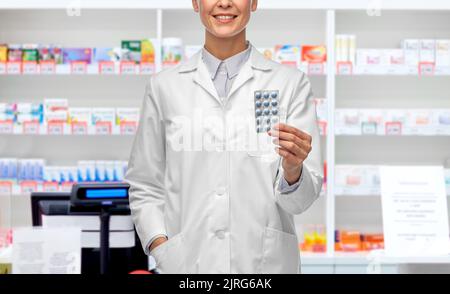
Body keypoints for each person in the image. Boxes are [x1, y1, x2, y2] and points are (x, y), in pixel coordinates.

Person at [125, 0, 323, 274]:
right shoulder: (165, 87)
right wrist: (161, 247)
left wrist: (293, 170)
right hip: (188, 267)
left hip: (265, 267)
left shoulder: (289, 84)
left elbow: (299, 202)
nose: (225, 3)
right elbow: (145, 183)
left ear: (254, 2)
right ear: (195, 3)